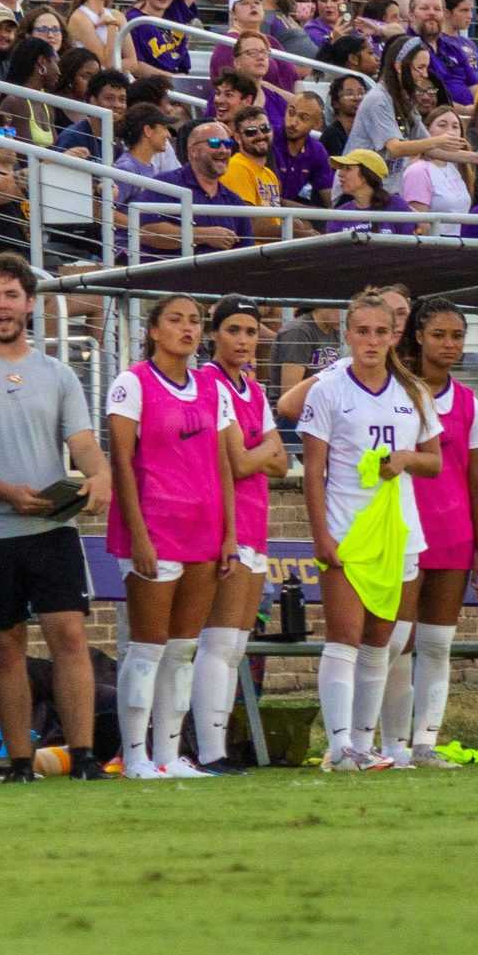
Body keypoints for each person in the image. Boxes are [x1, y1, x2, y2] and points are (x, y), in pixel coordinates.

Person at [0, 255, 112, 782]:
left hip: (51, 528)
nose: (3, 306)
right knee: (7, 646)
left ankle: (82, 757)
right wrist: (9, 494)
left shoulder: (57, 374)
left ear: (30, 303)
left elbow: (82, 443)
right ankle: (18, 763)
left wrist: (98, 476)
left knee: (70, 638)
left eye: (12, 295)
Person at [293, 295, 441, 771]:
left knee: (382, 638)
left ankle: (363, 742)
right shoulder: (328, 390)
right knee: (345, 635)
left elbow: (435, 461)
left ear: (395, 335)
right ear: (348, 334)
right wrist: (321, 535)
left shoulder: (413, 391)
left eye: (381, 332)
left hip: (399, 531)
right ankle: (339, 747)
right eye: (362, 331)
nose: (372, 341)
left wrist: (405, 460)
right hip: (346, 527)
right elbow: (312, 471)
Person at [106, 295, 235, 781]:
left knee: (183, 649)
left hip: (203, 530)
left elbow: (222, 461)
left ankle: (169, 753)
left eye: (195, 321)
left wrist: (229, 532)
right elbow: (120, 461)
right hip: (155, 529)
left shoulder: (211, 387)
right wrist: (138, 535)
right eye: (175, 320)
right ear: (154, 330)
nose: (187, 329)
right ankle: (135, 755)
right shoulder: (131, 383)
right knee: (148, 647)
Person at [385, 299, 478, 768]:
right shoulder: (396, 391)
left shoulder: (469, 402)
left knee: (436, 643)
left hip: (453, 535)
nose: (450, 345)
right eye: (440, 335)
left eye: (457, 336)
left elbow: (476, 481)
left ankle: (425, 742)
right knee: (395, 640)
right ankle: (387, 743)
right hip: (403, 531)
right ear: (419, 337)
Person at [189, 297, 282, 773]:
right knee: (219, 642)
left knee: (237, 646)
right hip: (227, 525)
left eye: (250, 331)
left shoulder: (256, 389)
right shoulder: (210, 383)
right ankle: (210, 751)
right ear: (214, 334)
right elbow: (241, 463)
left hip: (257, 523)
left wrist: (260, 450)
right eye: (234, 330)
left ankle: (218, 747)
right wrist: (262, 448)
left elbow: (282, 461)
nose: (243, 340)